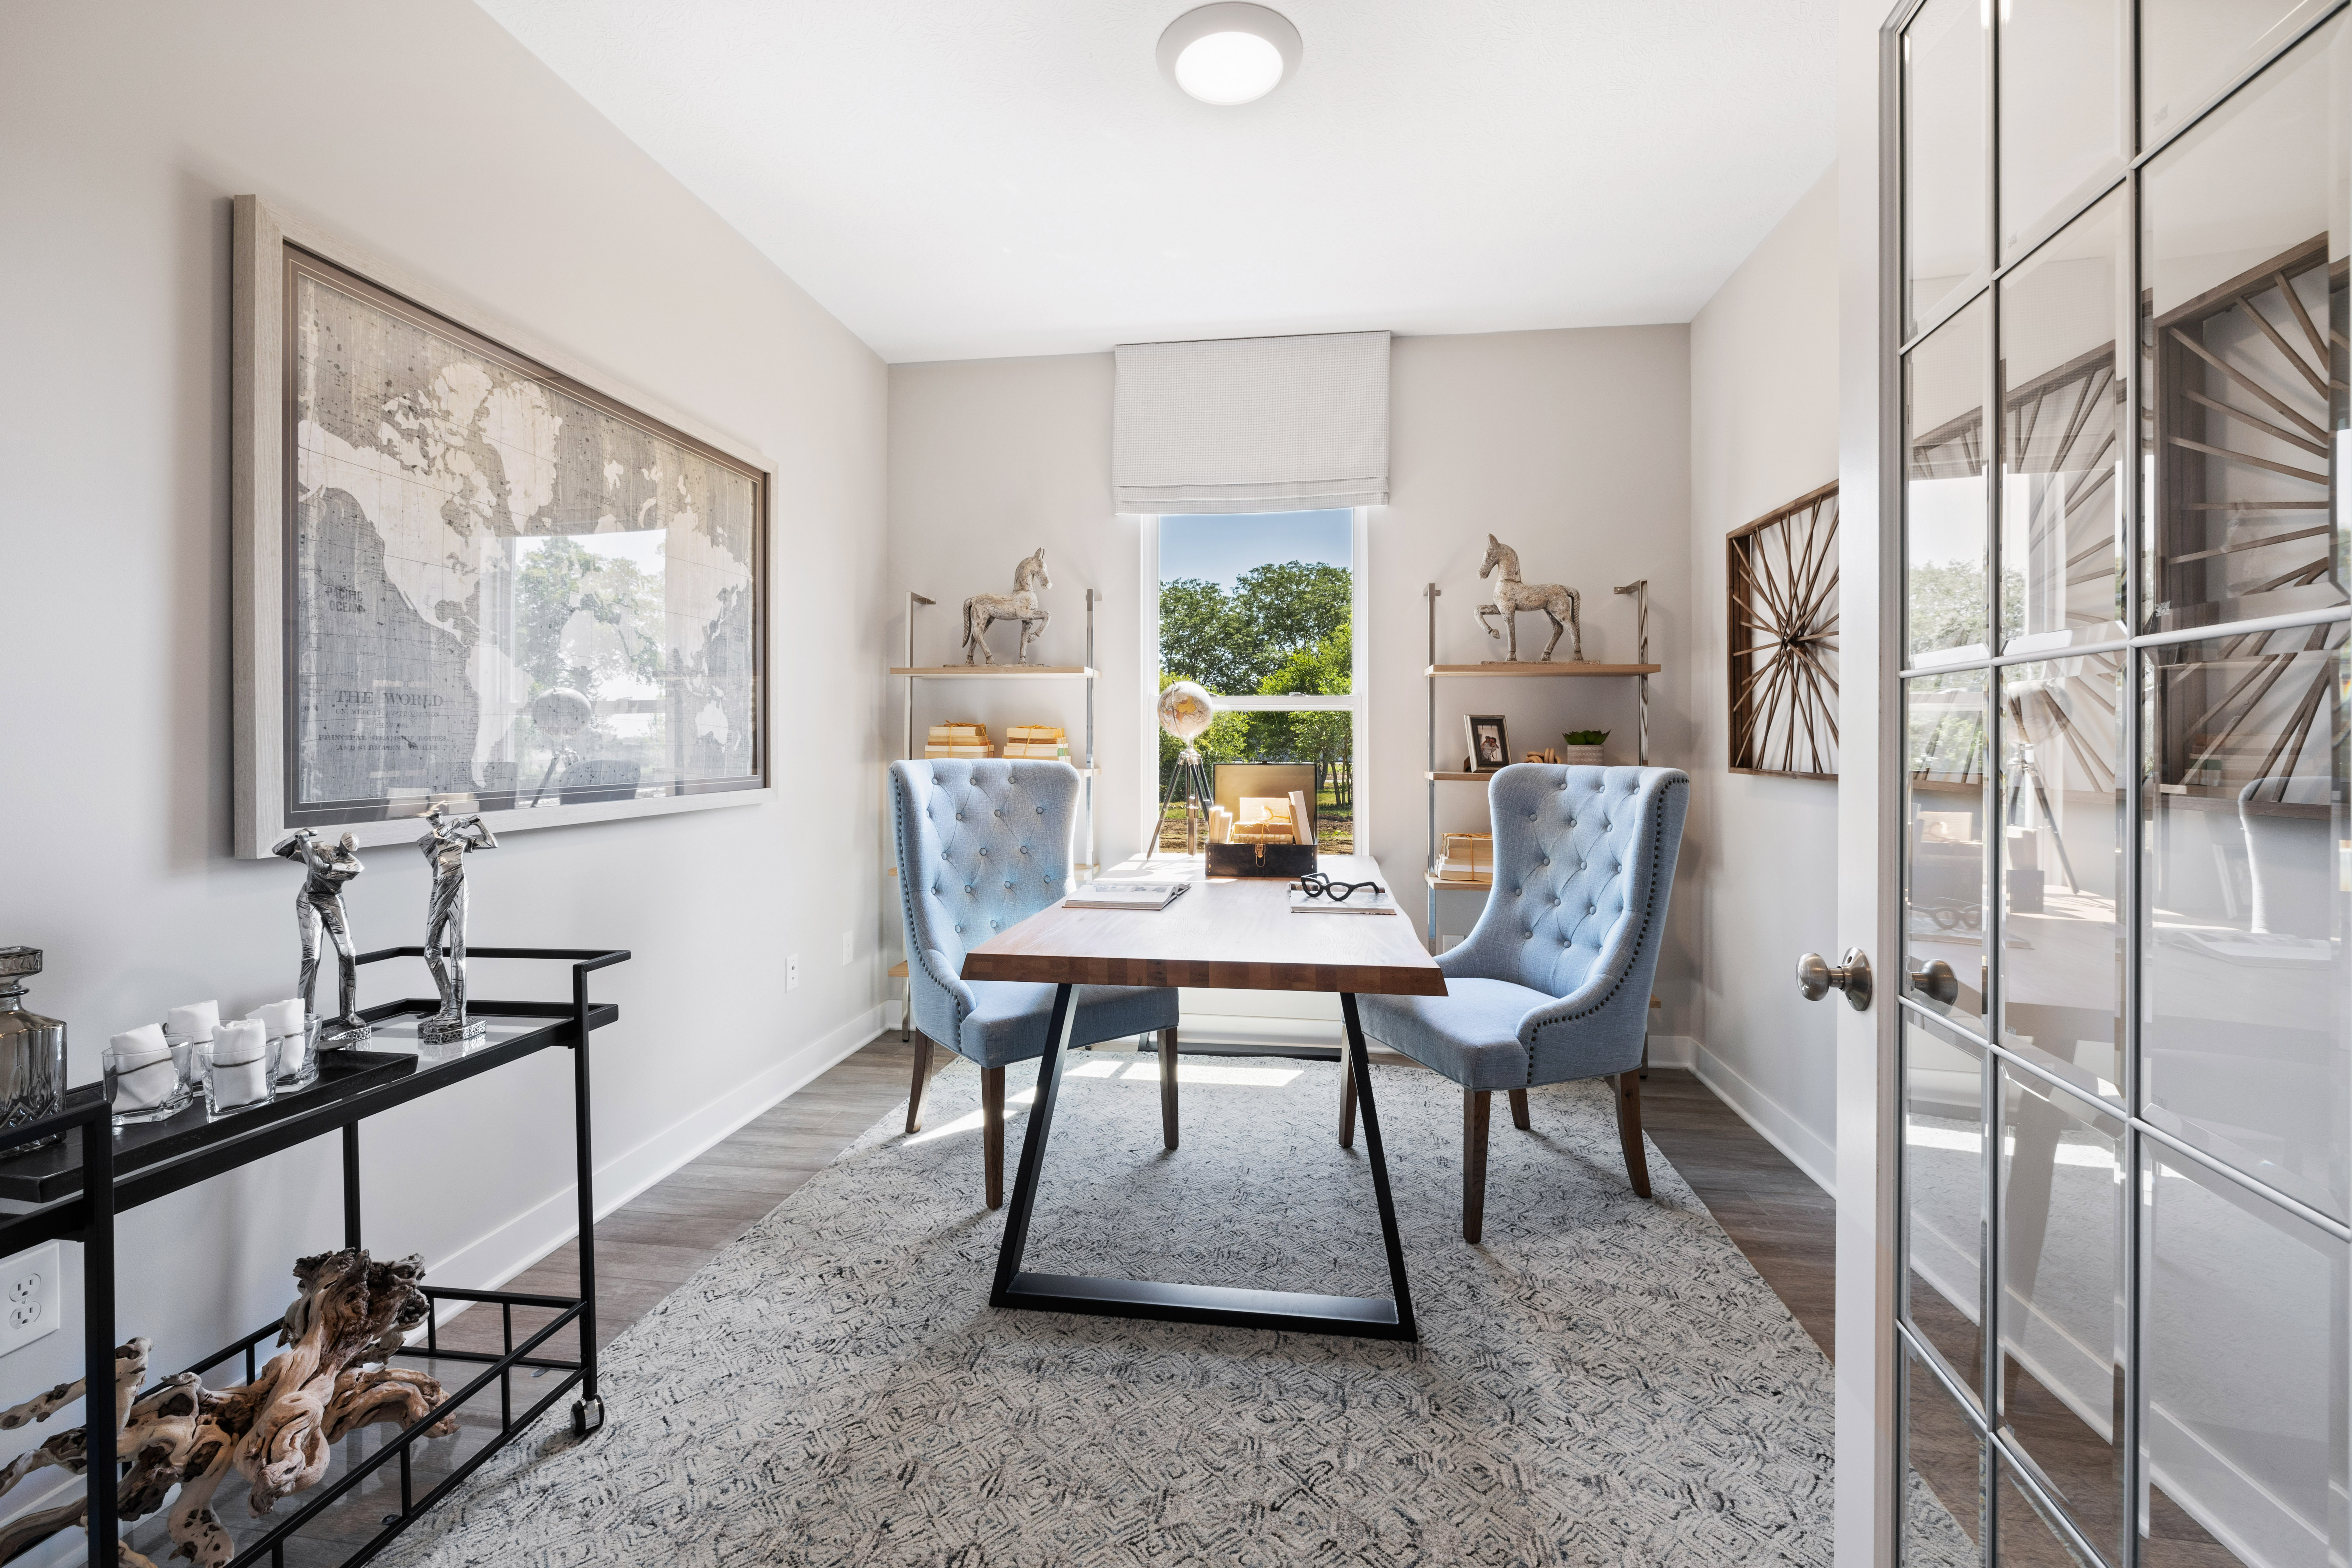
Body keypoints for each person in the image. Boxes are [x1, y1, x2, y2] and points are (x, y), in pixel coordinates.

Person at [271, 829, 370, 1043]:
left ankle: (349, 1014)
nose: (347, 850)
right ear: (341, 845)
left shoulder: (354, 866)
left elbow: (318, 867)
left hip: (333, 901)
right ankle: (305, 1018)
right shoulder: (323, 848)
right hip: (309, 899)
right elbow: (279, 850)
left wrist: (305, 842)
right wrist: (298, 837)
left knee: (348, 953)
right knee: (311, 957)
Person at [417, 804, 498, 1041]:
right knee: (430, 952)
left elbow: (491, 843)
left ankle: (457, 1014)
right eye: (432, 819)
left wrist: (478, 823)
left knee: (457, 952)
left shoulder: (461, 840)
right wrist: (460, 821)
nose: (435, 822)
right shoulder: (428, 841)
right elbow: (440, 835)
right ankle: (447, 1004)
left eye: (437, 818)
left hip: (459, 888)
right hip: (438, 890)